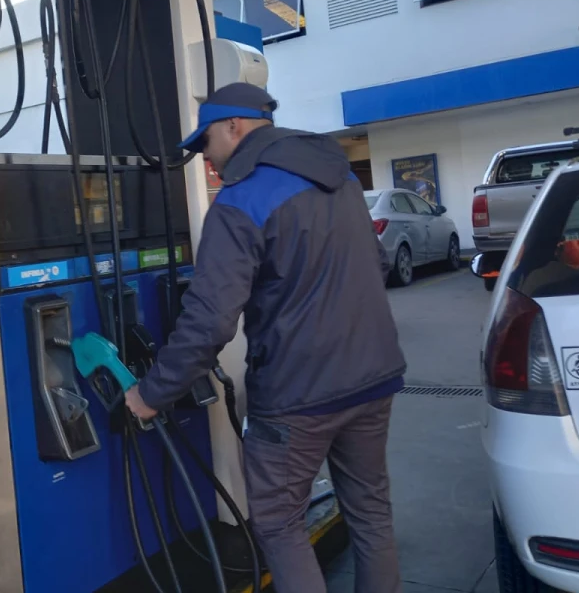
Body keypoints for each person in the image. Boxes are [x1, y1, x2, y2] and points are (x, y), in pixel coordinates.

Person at [124, 82, 406, 593]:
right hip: (374, 377)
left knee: (279, 523)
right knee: (370, 511)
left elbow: (208, 321)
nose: (206, 160)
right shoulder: (338, 178)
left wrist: (150, 395)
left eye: (205, 143)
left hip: (298, 395)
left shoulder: (241, 200)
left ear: (234, 127)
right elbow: (376, 262)